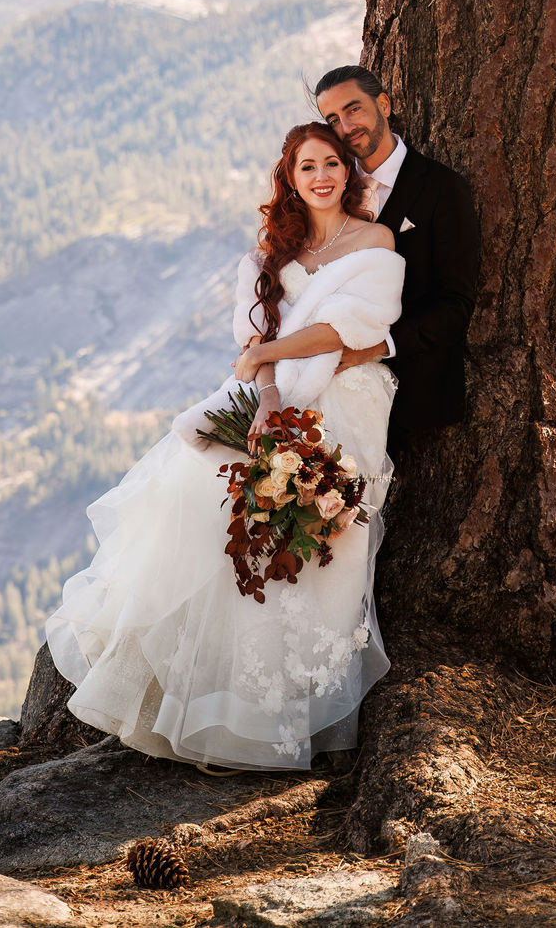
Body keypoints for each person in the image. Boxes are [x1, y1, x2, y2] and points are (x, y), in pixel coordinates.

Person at [44, 123, 403, 770]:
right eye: (306, 166)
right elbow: (253, 340)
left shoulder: (374, 241)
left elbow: (353, 326)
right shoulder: (274, 249)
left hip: (347, 393)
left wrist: (267, 353)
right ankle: (193, 700)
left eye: (331, 163)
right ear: (290, 179)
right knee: (203, 495)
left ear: (348, 172)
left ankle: (276, 714)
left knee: (320, 527)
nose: (321, 176)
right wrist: (266, 393)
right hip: (273, 394)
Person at [309, 65, 480, 452]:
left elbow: (456, 304)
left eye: (354, 110)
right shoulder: (330, 186)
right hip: (325, 403)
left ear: (383, 104)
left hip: (413, 407)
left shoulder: (442, 188)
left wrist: (374, 348)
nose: (346, 127)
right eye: (333, 119)